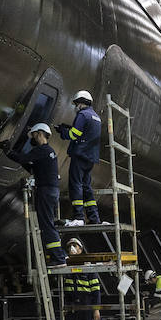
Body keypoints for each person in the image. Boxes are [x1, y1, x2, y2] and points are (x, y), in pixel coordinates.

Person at [4, 123, 65, 265]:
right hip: (51, 191)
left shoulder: (42, 150)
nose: (32, 138)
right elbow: (32, 167)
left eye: (33, 134)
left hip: (45, 191)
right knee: (48, 223)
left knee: (46, 224)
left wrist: (8, 151)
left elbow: (23, 159)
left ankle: (58, 258)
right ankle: (59, 256)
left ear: (39, 134)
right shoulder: (49, 152)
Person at [57, 90, 102, 225]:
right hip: (90, 157)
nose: (76, 107)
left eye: (76, 104)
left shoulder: (82, 115)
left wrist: (63, 131)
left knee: (75, 185)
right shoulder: (96, 117)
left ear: (81, 103)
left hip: (80, 155)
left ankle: (78, 217)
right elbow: (86, 133)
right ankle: (94, 218)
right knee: (86, 187)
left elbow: (74, 135)